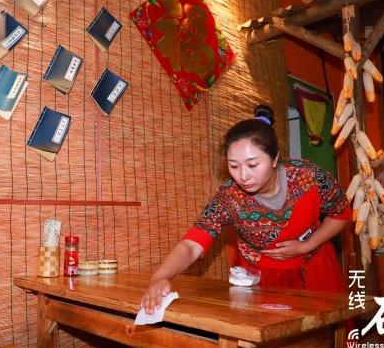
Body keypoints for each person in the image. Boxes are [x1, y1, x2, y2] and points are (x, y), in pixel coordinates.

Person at [141, 105, 351, 314]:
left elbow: (341, 213)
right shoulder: (229, 196)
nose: (243, 176)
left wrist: (307, 245)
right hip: (257, 279)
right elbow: (192, 244)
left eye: (252, 165)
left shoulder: (310, 177)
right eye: (233, 166)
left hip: (314, 270)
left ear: (275, 158)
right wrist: (160, 277)